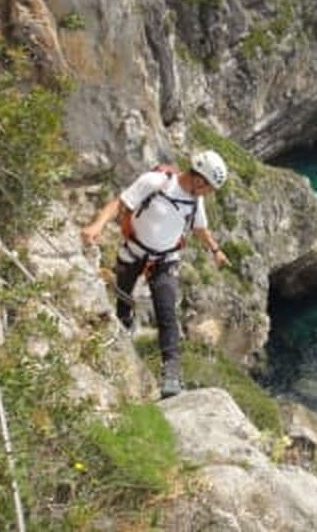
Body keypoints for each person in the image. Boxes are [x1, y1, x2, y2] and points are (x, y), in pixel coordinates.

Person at [81, 150, 231, 398]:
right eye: (209, 188)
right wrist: (97, 225)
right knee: (123, 299)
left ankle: (171, 373)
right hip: (134, 251)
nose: (209, 194)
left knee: (167, 312)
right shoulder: (157, 182)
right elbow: (120, 203)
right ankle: (125, 324)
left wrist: (215, 250)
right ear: (198, 179)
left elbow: (200, 228)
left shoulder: (196, 200)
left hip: (165, 259)